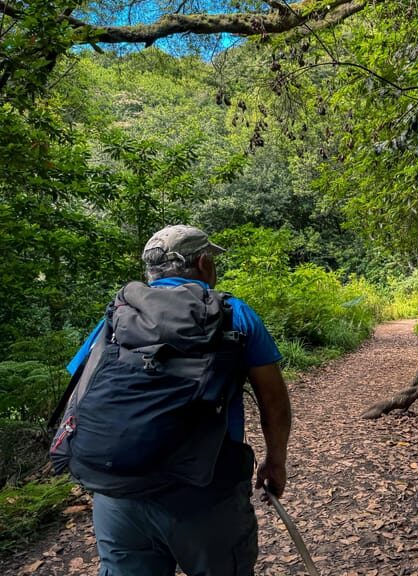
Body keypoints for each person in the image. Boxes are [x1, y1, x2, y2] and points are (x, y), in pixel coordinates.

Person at [65, 224, 291, 576]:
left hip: (118, 492)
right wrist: (276, 461)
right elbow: (273, 399)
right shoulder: (234, 313)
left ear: (150, 271)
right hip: (205, 494)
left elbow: (81, 383)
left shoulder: (117, 314)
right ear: (203, 263)